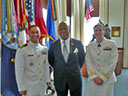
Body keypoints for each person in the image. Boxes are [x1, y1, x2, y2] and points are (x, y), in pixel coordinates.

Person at [48, 21, 85, 96]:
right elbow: (51, 61)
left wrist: (74, 68)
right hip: (60, 79)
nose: (63, 31)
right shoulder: (53, 45)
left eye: (65, 28)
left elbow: (81, 60)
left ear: (69, 30)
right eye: (61, 29)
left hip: (75, 78)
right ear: (58, 31)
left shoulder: (78, 43)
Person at [15, 25, 50, 96]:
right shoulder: (22, 50)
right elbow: (19, 70)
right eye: (32, 32)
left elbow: (46, 66)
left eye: (37, 32)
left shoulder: (44, 49)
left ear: (40, 34)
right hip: (29, 87)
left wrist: (48, 80)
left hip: (42, 86)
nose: (35, 35)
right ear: (29, 34)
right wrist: (21, 87)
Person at [85, 23, 118, 96]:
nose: (98, 32)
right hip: (93, 78)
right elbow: (88, 62)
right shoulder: (90, 46)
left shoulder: (112, 44)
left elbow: (113, 62)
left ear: (104, 31)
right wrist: (94, 76)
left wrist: (102, 77)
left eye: (100, 30)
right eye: (95, 30)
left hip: (107, 78)